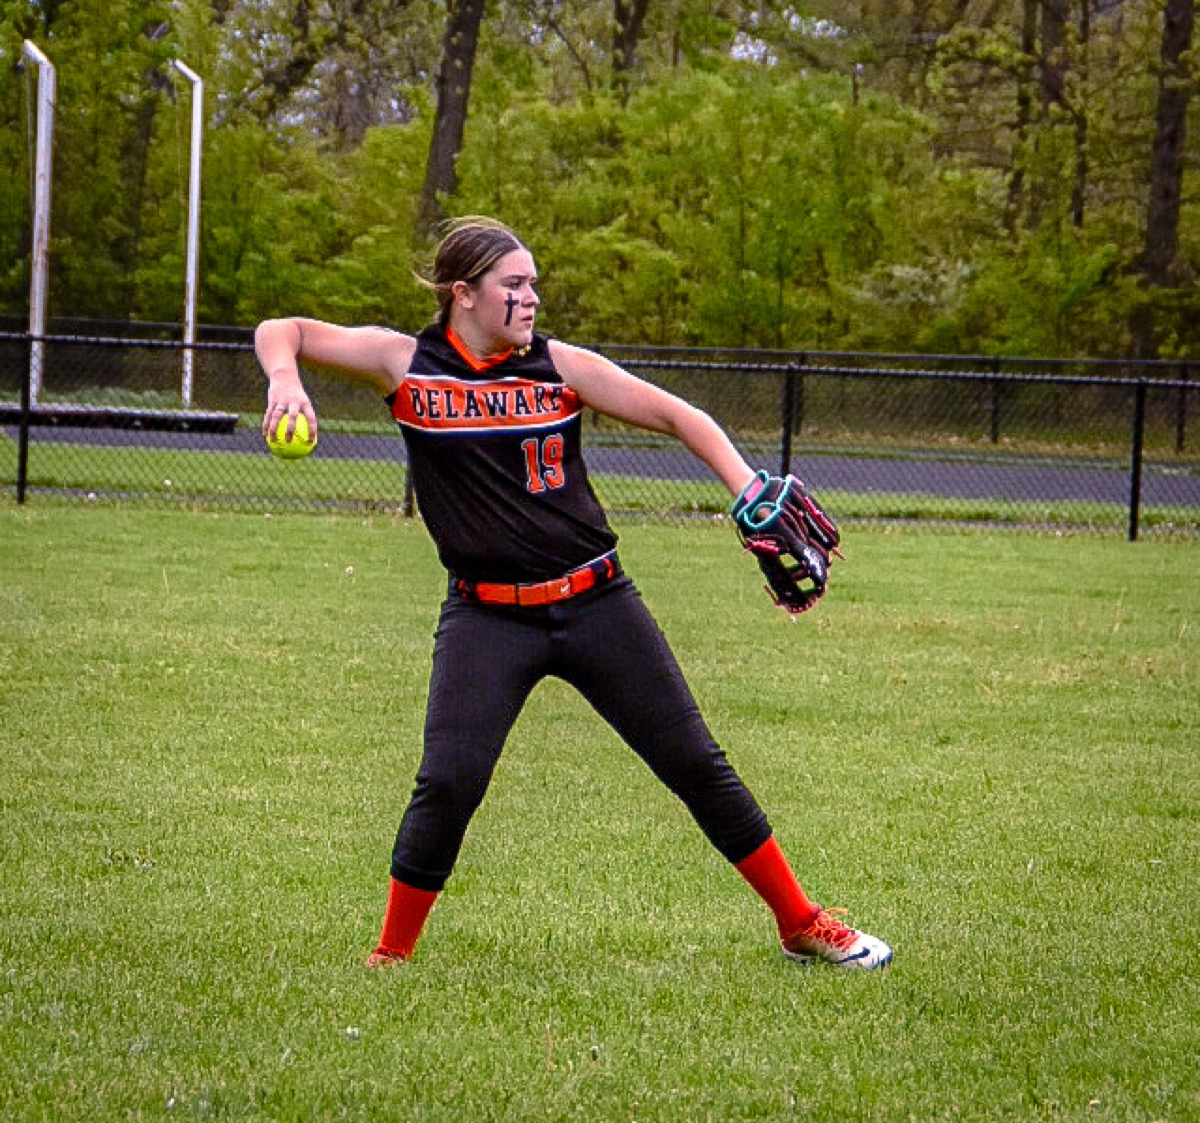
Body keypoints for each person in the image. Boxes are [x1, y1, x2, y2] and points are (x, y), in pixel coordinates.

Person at [254, 216, 892, 971]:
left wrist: (746, 484)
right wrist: (286, 379)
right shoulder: (406, 363)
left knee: (693, 760)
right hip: (487, 614)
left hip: (596, 602)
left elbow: (678, 415)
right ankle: (391, 955)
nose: (530, 298)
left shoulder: (560, 366)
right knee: (450, 778)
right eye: (512, 285)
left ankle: (801, 921)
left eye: (533, 284)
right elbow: (281, 327)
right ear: (463, 294)